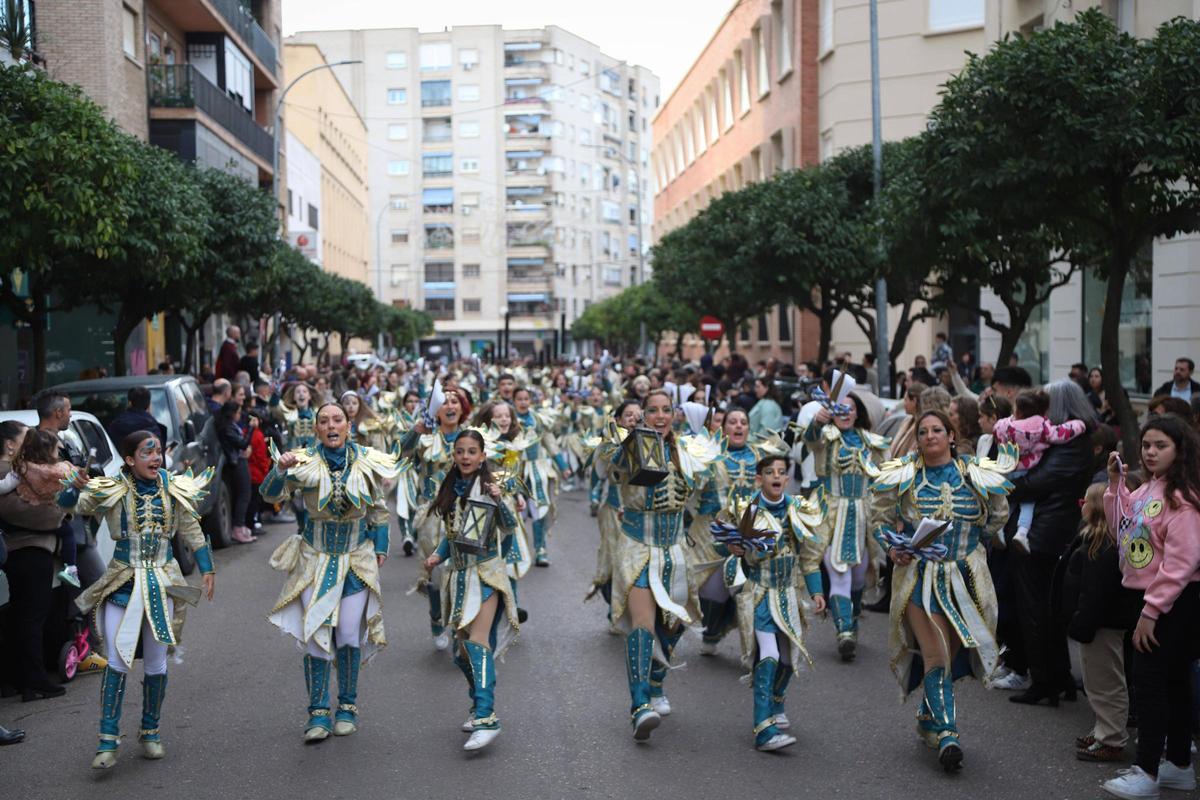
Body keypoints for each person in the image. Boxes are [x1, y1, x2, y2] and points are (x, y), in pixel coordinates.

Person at [868, 410, 1015, 772]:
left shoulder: (977, 473)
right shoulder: (904, 473)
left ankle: (928, 716)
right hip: (920, 576)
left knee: (949, 654)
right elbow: (880, 520)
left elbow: (998, 516)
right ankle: (949, 734)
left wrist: (972, 546)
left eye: (937, 430)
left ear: (951, 436)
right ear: (916, 440)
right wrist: (893, 548)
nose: (930, 436)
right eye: (923, 431)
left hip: (966, 576)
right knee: (935, 654)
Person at [61, 430, 216, 769]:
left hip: (162, 583)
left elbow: (190, 528)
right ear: (129, 460)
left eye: (158, 451)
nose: (156, 457)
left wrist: (207, 568)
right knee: (117, 660)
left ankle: (151, 731)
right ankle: (107, 738)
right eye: (147, 453)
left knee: (157, 663)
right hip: (123, 582)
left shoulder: (174, 487)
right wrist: (72, 485)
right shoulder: (113, 489)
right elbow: (73, 506)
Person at [259, 402, 400, 743]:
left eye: (338, 419)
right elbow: (269, 495)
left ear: (349, 426)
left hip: (355, 559)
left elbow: (379, 511)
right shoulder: (302, 461)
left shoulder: (367, 461)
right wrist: (279, 470)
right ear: (317, 429)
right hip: (314, 560)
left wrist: (380, 546)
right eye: (324, 421)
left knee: (349, 634)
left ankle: (348, 706)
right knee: (317, 633)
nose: (331, 425)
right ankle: (318, 712)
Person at [601, 389, 713, 740]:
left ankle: (656, 678)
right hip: (637, 546)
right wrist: (626, 440)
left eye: (666, 410)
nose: (660, 416)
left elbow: (709, 493)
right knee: (643, 625)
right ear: (643, 415)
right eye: (652, 410)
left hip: (676, 548)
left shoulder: (689, 449)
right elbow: (608, 465)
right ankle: (639, 705)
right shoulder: (628, 447)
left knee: (676, 623)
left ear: (675, 414)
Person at [1100, 415, 1200, 799]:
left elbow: (1182, 563)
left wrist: (1151, 611)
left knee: (1151, 686)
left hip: (1170, 603)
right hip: (1149, 599)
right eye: (1146, 445)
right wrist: (1115, 486)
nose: (1151, 452)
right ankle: (1177, 766)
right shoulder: (1149, 490)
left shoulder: (1183, 499)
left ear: (1180, 450)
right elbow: (1120, 530)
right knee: (1170, 684)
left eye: (1161, 445)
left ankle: (1147, 770)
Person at [422, 430, 523, 751]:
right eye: (460, 451)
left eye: (472, 451)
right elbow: (453, 533)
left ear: (482, 456)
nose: (465, 457)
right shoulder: (450, 487)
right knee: (461, 654)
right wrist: (439, 554)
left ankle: (486, 717)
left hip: (486, 573)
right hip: (459, 577)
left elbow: (509, 526)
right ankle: (477, 706)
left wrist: (498, 499)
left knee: (478, 644)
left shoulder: (495, 486)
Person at [723, 455, 825, 751]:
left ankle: (777, 702)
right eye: (770, 472)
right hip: (760, 594)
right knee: (767, 656)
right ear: (760, 478)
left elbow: (808, 557)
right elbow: (731, 550)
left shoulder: (797, 510)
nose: (777, 477)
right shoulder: (746, 511)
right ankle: (763, 728)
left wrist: (817, 591)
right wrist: (736, 548)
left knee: (787, 658)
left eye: (782, 472)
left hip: (789, 596)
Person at [1005, 381, 1098, 707]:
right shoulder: (1072, 440)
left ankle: (1045, 681)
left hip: (1041, 537)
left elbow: (1034, 483)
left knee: (1036, 610)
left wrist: (1003, 480)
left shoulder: (1069, 445)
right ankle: (1057, 678)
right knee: (1046, 610)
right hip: (1049, 533)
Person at [803, 392, 891, 660]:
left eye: (850, 408)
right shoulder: (825, 437)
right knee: (837, 566)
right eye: (840, 408)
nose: (845, 412)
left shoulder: (873, 442)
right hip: (831, 510)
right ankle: (844, 631)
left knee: (859, 573)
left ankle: (850, 621)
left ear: (857, 413)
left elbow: (884, 479)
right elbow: (809, 440)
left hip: (863, 513)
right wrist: (817, 422)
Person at [1061, 482, 1141, 763]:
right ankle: (1102, 730)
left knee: (1106, 681)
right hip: (1097, 623)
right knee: (1096, 681)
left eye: (1086, 500)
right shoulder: (1097, 540)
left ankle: (1112, 738)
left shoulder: (1103, 545)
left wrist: (1082, 623)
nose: (1082, 504)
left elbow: (1094, 592)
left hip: (1101, 624)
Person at [0, 423, 70, 702]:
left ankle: (23, 680)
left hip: (20, 554)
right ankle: (35, 681)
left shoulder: (18, 471)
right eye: (23, 438)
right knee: (32, 619)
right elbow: (41, 515)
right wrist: (59, 513)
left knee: (22, 618)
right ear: (9, 444)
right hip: (30, 552)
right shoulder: (13, 471)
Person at [993, 388, 1088, 553]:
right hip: (1027, 475)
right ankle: (1022, 531)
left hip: (1043, 526)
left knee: (1009, 503)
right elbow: (1060, 433)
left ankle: (998, 528)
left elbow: (1035, 485)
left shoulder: (1006, 425)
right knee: (1026, 504)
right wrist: (1079, 425)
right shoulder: (1043, 428)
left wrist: (999, 487)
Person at [4, 431, 80, 587]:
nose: (58, 453)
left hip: (30, 513)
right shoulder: (58, 471)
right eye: (56, 450)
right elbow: (76, 481)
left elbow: (5, 486)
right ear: (49, 452)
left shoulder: (21, 468)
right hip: (52, 515)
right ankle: (71, 568)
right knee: (69, 534)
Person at [216, 400, 257, 544]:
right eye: (239, 412)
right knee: (244, 494)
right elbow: (242, 443)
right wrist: (252, 429)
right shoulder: (227, 428)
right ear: (233, 414)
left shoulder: (230, 426)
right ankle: (238, 528)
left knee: (243, 494)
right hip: (236, 463)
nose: (241, 415)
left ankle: (240, 525)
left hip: (238, 461)